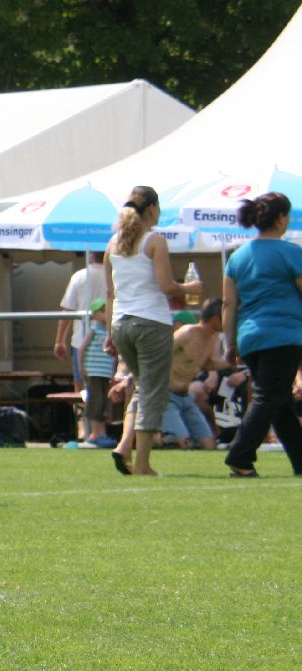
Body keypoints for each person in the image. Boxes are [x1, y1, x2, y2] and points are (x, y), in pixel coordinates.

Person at [104, 185, 200, 477]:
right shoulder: (154, 241)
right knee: (154, 393)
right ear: (152, 209)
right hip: (151, 323)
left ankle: (124, 446)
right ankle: (143, 464)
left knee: (143, 387)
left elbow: (110, 294)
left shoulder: (112, 244)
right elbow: (166, 286)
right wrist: (190, 287)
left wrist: (109, 333)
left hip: (121, 324)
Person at [220, 192, 302, 479]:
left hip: (249, 337)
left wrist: (229, 343)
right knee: (269, 398)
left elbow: (228, 304)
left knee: (280, 403)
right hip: (284, 334)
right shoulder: (291, 252)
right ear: (280, 218)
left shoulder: (238, 257)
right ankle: (240, 456)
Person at [157, 302, 231, 449]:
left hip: (186, 397)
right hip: (166, 396)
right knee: (181, 443)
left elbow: (207, 365)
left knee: (209, 445)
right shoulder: (187, 333)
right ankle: (158, 439)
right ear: (215, 319)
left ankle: (165, 438)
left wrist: (231, 362)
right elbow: (158, 355)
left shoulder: (213, 338)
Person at [53, 252, 107, 389]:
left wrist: (59, 341)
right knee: (109, 387)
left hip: (81, 340)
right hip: (108, 339)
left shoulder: (79, 276)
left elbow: (68, 310)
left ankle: (79, 402)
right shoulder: (113, 275)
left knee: (80, 386)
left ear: (91, 255)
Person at [77, 299, 118, 446]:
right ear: (95, 315)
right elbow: (82, 349)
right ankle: (95, 433)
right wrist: (81, 367)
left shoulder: (110, 332)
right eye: (102, 311)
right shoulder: (94, 329)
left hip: (105, 373)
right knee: (96, 401)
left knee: (104, 403)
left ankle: (102, 433)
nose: (106, 314)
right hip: (94, 372)